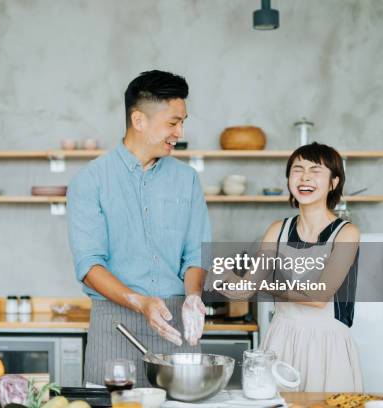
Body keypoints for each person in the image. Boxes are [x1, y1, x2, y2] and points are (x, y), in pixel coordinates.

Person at [67, 70, 211, 386]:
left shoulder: (186, 180)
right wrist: (139, 301)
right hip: (114, 324)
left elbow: (196, 253)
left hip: (175, 325)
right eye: (173, 122)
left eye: (183, 122)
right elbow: (89, 264)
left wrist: (192, 297)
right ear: (139, 120)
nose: (180, 131)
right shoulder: (90, 181)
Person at [218, 142, 363, 392]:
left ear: (334, 182)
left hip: (327, 345)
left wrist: (263, 285)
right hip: (281, 339)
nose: (305, 177)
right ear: (288, 179)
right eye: (297, 169)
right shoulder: (278, 230)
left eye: (315, 170)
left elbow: (319, 295)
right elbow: (245, 289)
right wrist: (219, 276)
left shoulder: (346, 233)